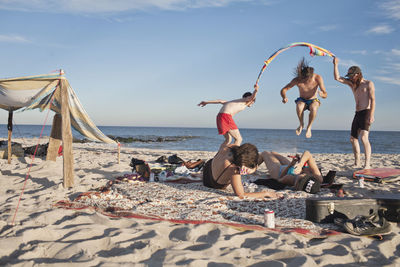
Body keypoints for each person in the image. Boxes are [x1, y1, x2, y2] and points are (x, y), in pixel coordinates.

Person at [333, 57, 375, 169]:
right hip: (357, 113)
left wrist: (371, 114)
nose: (350, 78)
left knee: (364, 138)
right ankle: (357, 163)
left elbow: (373, 100)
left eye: (351, 76)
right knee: (353, 139)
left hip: (366, 112)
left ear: (357, 74)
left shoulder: (368, 84)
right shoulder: (353, 84)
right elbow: (337, 78)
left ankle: (367, 164)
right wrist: (335, 64)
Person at [202, 142, 281, 199]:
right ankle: (254, 167)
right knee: (250, 170)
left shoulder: (231, 147)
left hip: (208, 168)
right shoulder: (234, 169)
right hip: (211, 183)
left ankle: (254, 166)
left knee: (252, 166)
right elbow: (241, 195)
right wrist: (266, 193)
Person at [280, 58, 327, 138]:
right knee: (299, 106)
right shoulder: (297, 80)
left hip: (313, 100)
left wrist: (322, 95)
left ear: (311, 76)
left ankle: (309, 127)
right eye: (303, 78)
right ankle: (301, 124)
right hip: (302, 99)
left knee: (314, 108)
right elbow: (284, 89)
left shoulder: (317, 78)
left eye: (307, 79)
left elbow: (325, 93)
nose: (305, 80)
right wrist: (284, 97)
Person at [258, 150, 322, 194]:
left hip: (278, 171)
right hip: (290, 166)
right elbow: (307, 153)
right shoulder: (318, 177)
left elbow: (280, 179)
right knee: (273, 152)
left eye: (300, 181)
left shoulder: (293, 181)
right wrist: (300, 164)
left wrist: (291, 164)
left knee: (265, 153)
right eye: (303, 178)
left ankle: (251, 168)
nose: (299, 177)